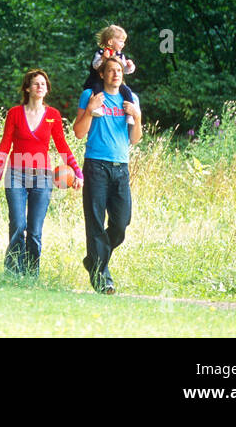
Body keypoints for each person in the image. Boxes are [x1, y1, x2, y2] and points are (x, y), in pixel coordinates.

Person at [0, 69, 82, 276]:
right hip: (16, 174)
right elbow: (5, 144)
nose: (40, 87)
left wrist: (78, 173)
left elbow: (62, 146)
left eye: (43, 84)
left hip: (43, 177)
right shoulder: (14, 113)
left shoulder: (53, 115)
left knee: (35, 231)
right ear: (27, 88)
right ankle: (13, 273)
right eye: (36, 83)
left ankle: (31, 275)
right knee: (18, 225)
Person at [75, 55, 143, 294]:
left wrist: (137, 116)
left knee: (122, 223)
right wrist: (90, 111)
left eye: (119, 71)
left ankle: (94, 259)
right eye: (111, 70)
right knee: (95, 222)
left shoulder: (130, 98)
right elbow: (79, 133)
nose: (116, 74)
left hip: (121, 167)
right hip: (96, 166)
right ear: (102, 74)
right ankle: (102, 280)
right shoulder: (91, 96)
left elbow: (135, 139)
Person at [82, 24, 137, 116]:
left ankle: (129, 113)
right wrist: (103, 59)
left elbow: (125, 70)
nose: (123, 44)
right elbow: (95, 66)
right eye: (121, 41)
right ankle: (98, 107)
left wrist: (130, 66)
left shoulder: (120, 56)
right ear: (110, 41)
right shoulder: (100, 53)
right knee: (96, 88)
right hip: (98, 80)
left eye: (124, 42)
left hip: (114, 83)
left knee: (127, 90)